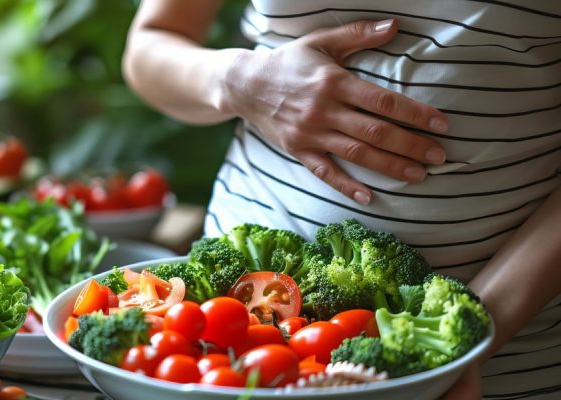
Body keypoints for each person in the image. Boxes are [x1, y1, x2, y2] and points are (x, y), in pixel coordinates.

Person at [122, 1, 561, 399]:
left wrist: (467, 342)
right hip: (225, 343)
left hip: (506, 360)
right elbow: (149, 48)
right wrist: (241, 81)